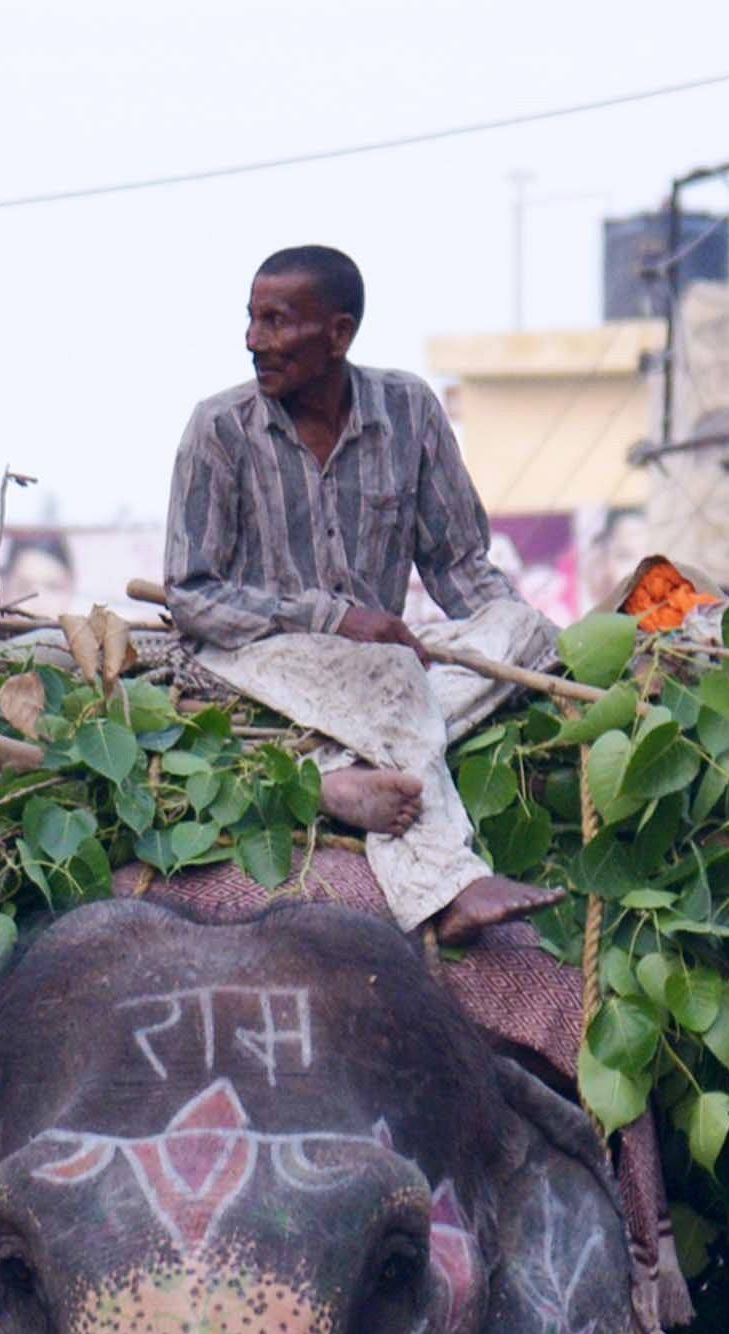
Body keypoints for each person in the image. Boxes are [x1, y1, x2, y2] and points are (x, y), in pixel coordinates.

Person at [164, 242, 551, 887]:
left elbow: (459, 566)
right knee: (390, 667)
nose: (255, 340)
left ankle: (331, 773)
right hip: (262, 664)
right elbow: (190, 595)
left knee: (525, 630)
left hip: (384, 676)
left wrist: (530, 652)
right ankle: (450, 883)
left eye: (276, 321)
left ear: (339, 334)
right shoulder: (218, 428)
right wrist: (333, 619)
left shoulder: (411, 410)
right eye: (252, 319)